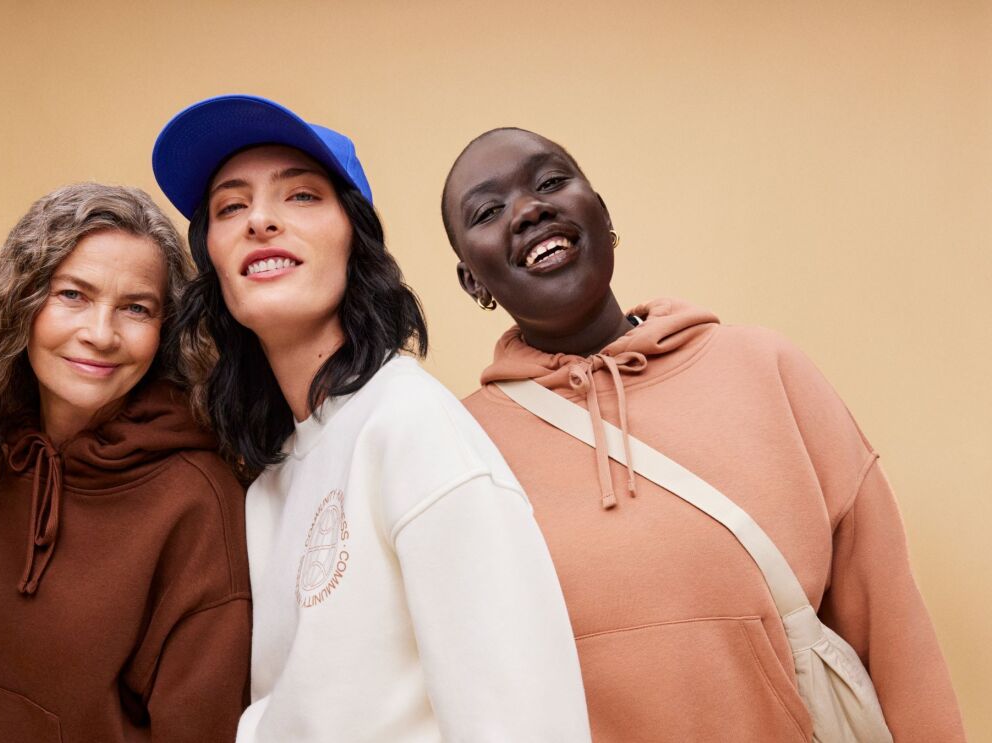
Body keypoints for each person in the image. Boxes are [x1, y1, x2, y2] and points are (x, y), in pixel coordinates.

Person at [441, 126, 966, 742]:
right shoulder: (459, 446)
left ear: (601, 213)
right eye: (489, 210)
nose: (529, 210)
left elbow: (892, 624)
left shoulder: (766, 368)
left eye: (551, 182)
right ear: (472, 280)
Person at [152, 95, 591, 743]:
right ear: (211, 262)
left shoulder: (410, 427)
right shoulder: (270, 477)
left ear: (355, 238)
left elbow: (523, 724)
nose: (260, 221)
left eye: (300, 196)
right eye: (230, 206)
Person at [0, 183, 250, 742]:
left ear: (165, 333)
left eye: (136, 308)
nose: (100, 334)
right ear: (23, 303)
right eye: (73, 295)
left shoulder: (198, 504)